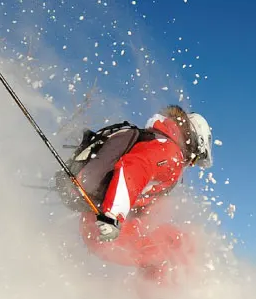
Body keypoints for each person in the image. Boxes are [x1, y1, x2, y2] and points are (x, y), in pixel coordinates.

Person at [57, 104, 213, 286]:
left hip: (100, 225)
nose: (190, 164)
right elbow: (133, 167)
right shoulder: (170, 153)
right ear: (194, 143)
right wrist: (113, 215)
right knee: (179, 243)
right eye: (194, 159)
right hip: (107, 228)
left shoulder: (155, 141)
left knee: (168, 247)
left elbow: (140, 195)